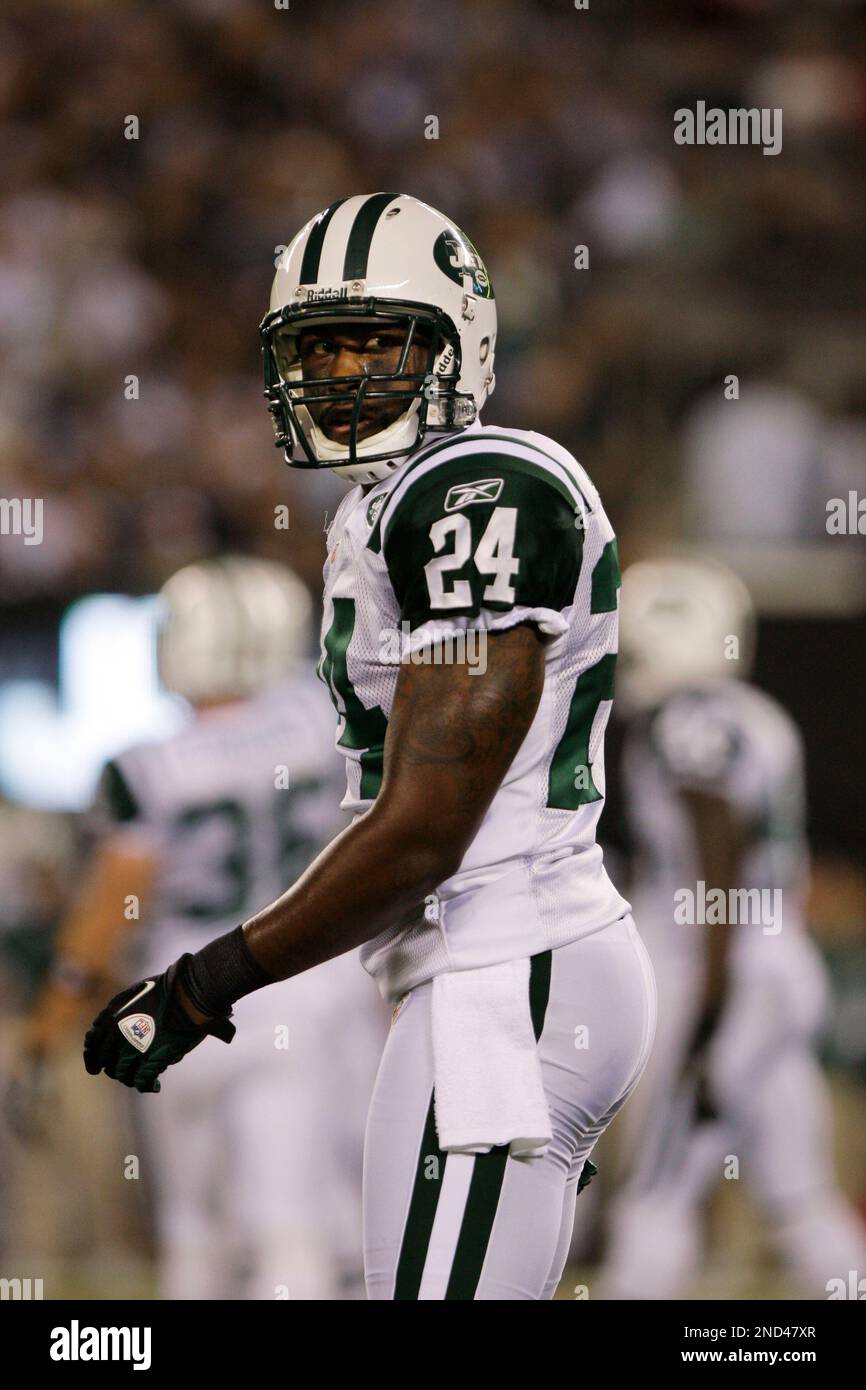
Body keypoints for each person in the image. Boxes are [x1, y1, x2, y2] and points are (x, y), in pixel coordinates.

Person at [83, 193, 656, 1301]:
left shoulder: (475, 485)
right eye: (318, 348)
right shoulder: (384, 505)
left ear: (459, 342)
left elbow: (427, 827)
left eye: (374, 342)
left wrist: (207, 985)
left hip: (512, 960)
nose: (343, 375)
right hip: (476, 967)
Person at [26, 556, 382, 1298]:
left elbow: (104, 912)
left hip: (176, 1003)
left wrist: (46, 1027)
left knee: (193, 1234)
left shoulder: (147, 765)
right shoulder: (325, 723)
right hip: (306, 989)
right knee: (300, 1228)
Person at [600, 555, 866, 1298]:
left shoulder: (686, 719)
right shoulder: (760, 714)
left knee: (657, 1188)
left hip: (724, 973)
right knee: (800, 1195)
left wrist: (711, 1009)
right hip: (779, 964)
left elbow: (717, 846)